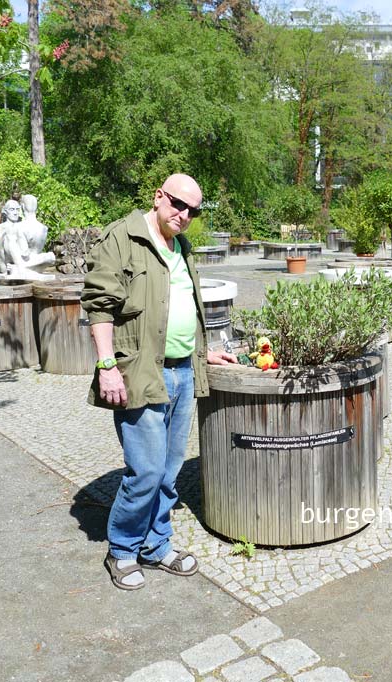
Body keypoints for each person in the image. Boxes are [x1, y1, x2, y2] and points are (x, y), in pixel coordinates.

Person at [81, 173, 237, 590]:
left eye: (193, 210)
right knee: (146, 470)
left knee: (168, 472)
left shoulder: (181, 247)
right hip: (140, 371)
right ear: (158, 196)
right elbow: (99, 307)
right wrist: (106, 365)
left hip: (183, 370)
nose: (184, 215)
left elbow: (181, 307)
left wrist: (204, 354)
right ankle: (123, 549)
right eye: (177, 204)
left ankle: (156, 544)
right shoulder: (122, 238)